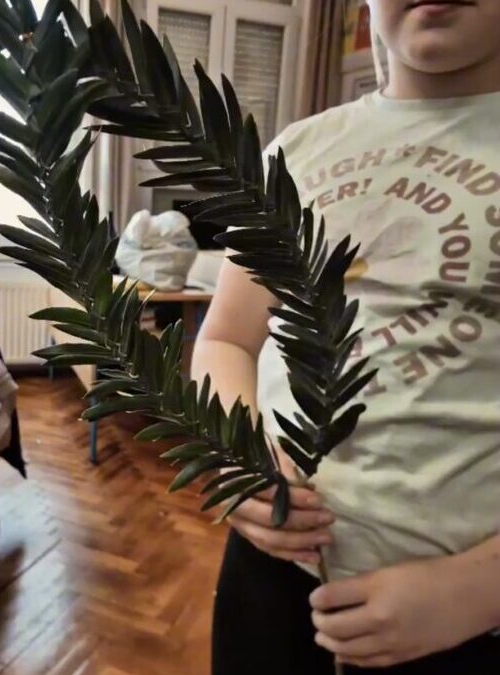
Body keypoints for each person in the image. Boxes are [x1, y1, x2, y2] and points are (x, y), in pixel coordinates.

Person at [192, 1, 500, 673]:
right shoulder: (296, 153)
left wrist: (475, 591)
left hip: (467, 619)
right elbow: (226, 341)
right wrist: (236, 453)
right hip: (272, 574)